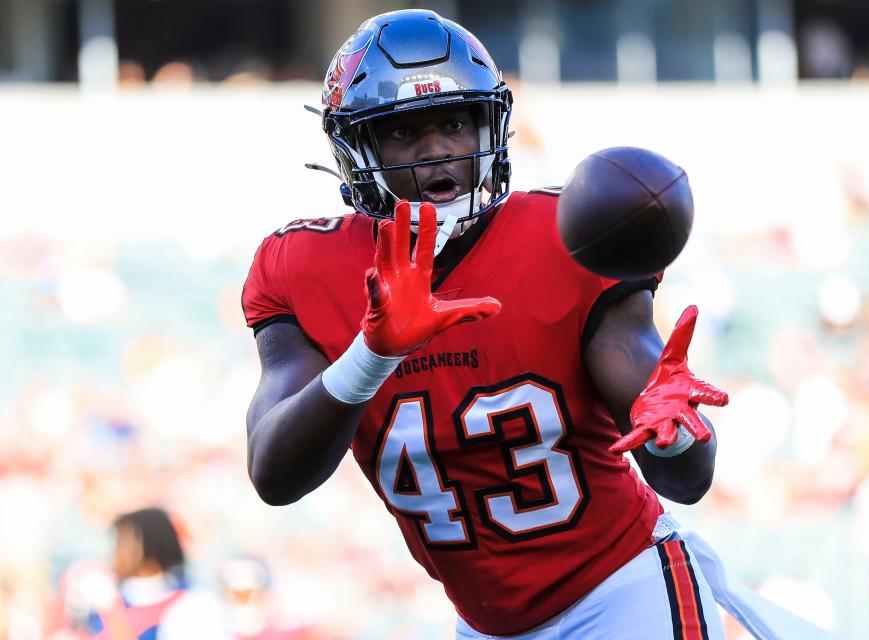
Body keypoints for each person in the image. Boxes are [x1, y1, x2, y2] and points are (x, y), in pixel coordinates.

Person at [242, 10, 831, 639]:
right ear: (356, 148)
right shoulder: (303, 266)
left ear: (489, 126)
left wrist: (675, 433)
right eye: (404, 131)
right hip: (485, 625)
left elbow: (685, 479)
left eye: (455, 122)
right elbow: (274, 474)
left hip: (620, 592)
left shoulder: (562, 241)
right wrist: (371, 354)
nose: (438, 148)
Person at [85, 508, 231, 640]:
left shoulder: (194, 605)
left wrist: (114, 617)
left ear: (151, 546)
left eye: (123, 544)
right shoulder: (105, 601)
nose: (117, 553)